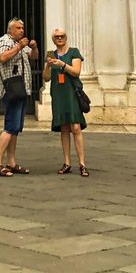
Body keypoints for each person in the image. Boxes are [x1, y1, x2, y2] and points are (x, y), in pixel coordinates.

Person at [0, 17, 37, 176]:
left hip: (22, 89)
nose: (21, 30)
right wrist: (19, 47)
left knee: (16, 128)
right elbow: (2, 58)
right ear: (10, 30)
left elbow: (34, 57)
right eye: (18, 28)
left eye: (22, 28)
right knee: (10, 126)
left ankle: (11, 162)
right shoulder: (4, 41)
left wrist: (34, 48)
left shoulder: (21, 44)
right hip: (11, 89)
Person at [43, 26, 88, 176]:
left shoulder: (74, 52)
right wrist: (48, 66)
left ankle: (82, 163)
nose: (60, 38)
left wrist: (62, 64)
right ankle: (67, 162)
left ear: (66, 37)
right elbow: (46, 78)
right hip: (58, 94)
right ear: (53, 40)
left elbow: (76, 72)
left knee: (75, 127)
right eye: (57, 37)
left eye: (62, 36)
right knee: (64, 128)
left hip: (71, 94)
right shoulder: (50, 54)